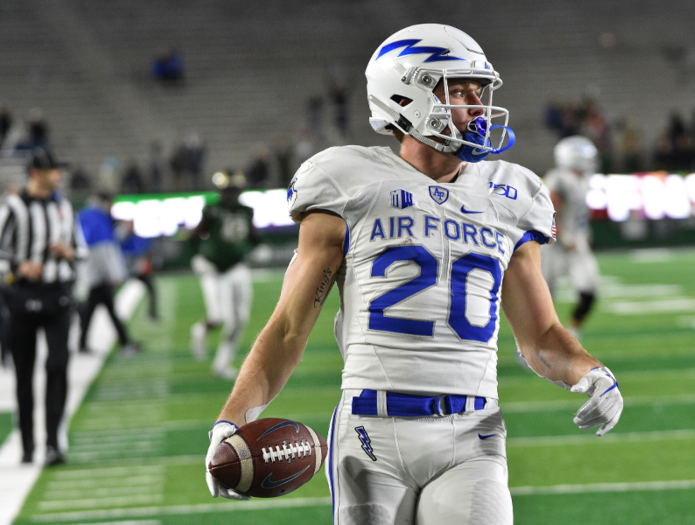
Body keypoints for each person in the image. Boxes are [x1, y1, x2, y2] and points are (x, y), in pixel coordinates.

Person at [204, 24, 624, 524]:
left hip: (474, 430)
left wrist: (591, 374)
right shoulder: (348, 182)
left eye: (479, 91)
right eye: (460, 90)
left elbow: (542, 337)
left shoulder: (513, 194)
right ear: (407, 94)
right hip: (370, 433)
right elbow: (290, 329)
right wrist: (231, 419)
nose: (478, 106)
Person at [0, 147, 87, 466]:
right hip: (22, 296)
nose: (59, 175)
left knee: (57, 367)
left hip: (58, 295)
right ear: (35, 173)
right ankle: (26, 444)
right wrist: (18, 266)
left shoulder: (63, 205)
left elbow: (82, 250)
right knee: (24, 374)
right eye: (53, 170)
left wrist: (69, 252)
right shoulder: (13, 207)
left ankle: (52, 443)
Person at [190, 170, 257, 380]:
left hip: (237, 267)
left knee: (239, 319)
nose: (230, 194)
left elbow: (254, 235)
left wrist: (258, 247)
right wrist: (197, 258)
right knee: (219, 317)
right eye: (227, 190)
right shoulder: (212, 210)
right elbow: (195, 235)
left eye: (233, 190)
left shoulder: (246, 211)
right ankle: (200, 330)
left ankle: (222, 362)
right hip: (215, 269)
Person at [540, 136, 601, 341]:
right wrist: (564, 236)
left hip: (577, 242)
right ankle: (533, 341)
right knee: (544, 294)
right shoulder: (560, 177)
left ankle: (573, 332)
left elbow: (579, 216)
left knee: (589, 288)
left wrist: (584, 236)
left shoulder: (583, 181)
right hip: (554, 243)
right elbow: (553, 209)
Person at [77, 193, 140, 355]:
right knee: (104, 311)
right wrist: (114, 274)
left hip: (95, 275)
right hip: (98, 276)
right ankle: (124, 341)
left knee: (98, 311)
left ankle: (85, 343)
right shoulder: (96, 217)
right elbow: (102, 249)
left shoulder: (89, 216)